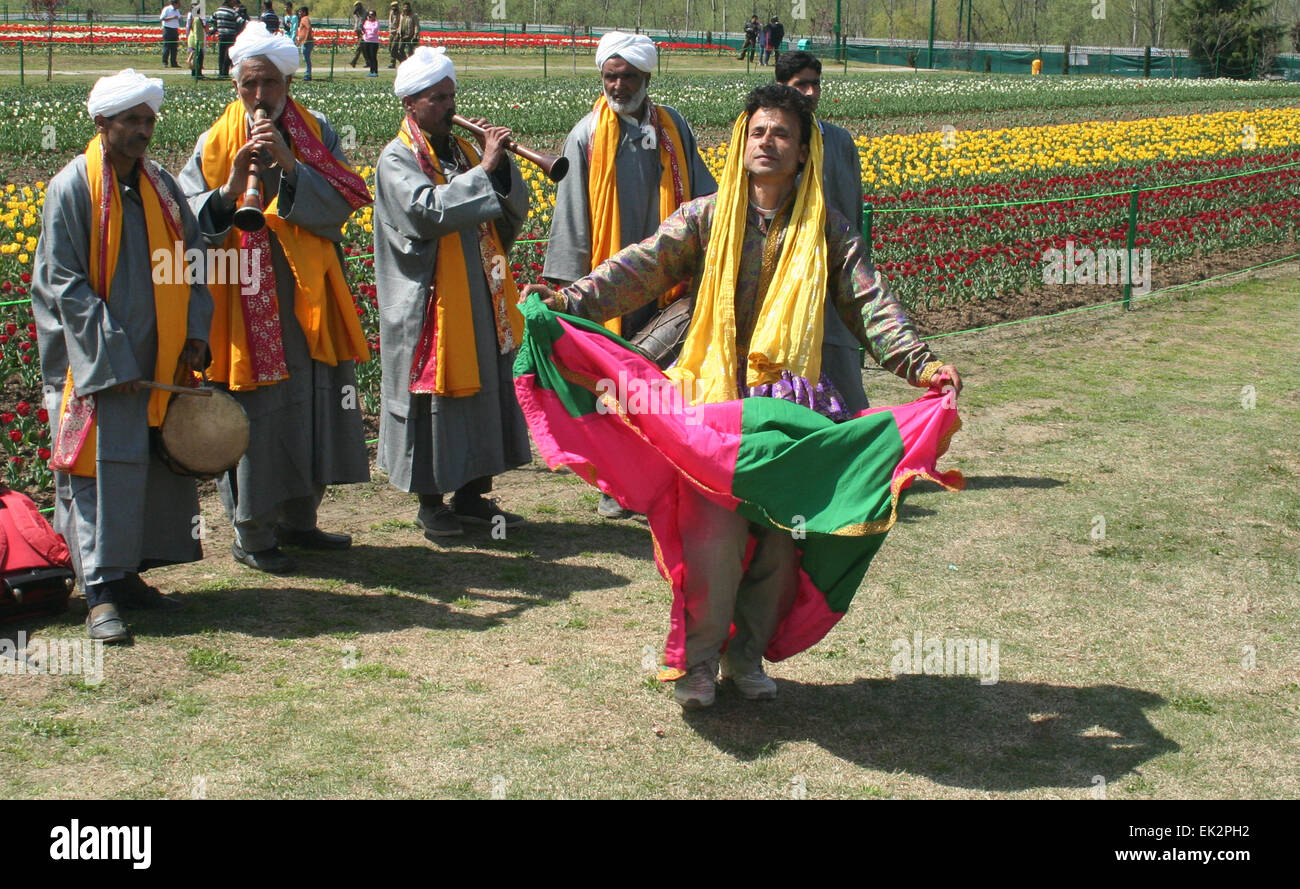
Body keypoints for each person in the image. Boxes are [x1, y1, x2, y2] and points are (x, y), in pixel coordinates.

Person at [525, 85, 962, 707]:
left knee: (781, 543)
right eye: (757, 131)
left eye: (782, 134)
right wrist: (567, 302)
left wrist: (921, 365)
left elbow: (871, 306)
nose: (767, 143)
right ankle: (698, 664)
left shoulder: (830, 232)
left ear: (803, 152)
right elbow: (638, 268)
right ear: (740, 141)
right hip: (712, 407)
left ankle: (745, 655)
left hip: (791, 413)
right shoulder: (706, 217)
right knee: (712, 541)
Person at [178, 23, 373, 574]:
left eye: (269, 83)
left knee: (310, 402)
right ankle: (252, 530)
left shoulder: (317, 130)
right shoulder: (215, 142)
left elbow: (344, 199)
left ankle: (299, 520)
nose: (259, 96)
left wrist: (290, 165)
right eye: (249, 85)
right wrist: (228, 188)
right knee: (257, 412)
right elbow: (189, 218)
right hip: (242, 296)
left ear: (288, 80)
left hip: (304, 293)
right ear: (237, 84)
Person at [32, 70, 214, 643]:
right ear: (102, 123)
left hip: (158, 361)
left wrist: (196, 331)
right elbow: (64, 283)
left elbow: (195, 260)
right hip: (96, 366)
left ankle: (130, 574)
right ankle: (98, 593)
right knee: (96, 468)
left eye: (148, 119)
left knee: (150, 467)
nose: (143, 130)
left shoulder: (161, 184)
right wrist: (112, 360)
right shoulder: (73, 188)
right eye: (131, 120)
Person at [542, 30, 716, 520]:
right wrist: (572, 288)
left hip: (666, 279)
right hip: (608, 280)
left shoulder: (673, 127)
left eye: (627, 77)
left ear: (646, 77)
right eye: (609, 77)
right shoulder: (587, 135)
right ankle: (614, 485)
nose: (617, 86)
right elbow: (572, 215)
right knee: (611, 382)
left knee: (660, 379)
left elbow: (703, 197)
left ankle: (663, 473)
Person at [372, 47, 531, 540]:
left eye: (451, 95)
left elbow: (501, 212)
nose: (448, 106)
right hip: (428, 303)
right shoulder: (396, 157)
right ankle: (430, 502)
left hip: (476, 293)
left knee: (481, 391)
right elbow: (425, 213)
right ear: (411, 104)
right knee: (433, 401)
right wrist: (484, 169)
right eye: (437, 98)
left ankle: (471, 495)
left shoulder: (459, 150)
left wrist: (500, 168)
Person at [776, 50, 867, 412]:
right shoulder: (769, 141)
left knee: (843, 375)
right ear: (781, 87)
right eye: (802, 85)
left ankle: (858, 451)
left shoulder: (839, 142)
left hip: (831, 276)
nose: (811, 92)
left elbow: (852, 209)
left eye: (816, 84)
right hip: (782, 281)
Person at [210, 0, 244, 78]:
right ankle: (225, 72)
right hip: (231, 35)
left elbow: (211, 20)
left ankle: (220, 72)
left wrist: (217, 27)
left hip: (221, 35)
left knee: (221, 54)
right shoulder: (232, 12)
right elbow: (240, 21)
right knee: (228, 54)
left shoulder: (218, 11)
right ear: (229, 2)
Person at [185, 3, 208, 77]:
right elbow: (196, 32)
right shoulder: (197, 20)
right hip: (196, 42)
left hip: (196, 41)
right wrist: (197, 43)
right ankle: (196, 74)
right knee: (197, 59)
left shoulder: (196, 19)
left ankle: (197, 73)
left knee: (197, 58)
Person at [160, 0, 182, 68]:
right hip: (168, 29)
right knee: (167, 47)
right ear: (174, 3)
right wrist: (172, 18)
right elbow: (162, 18)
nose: (179, 5)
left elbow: (179, 17)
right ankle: (165, 62)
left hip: (175, 29)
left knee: (174, 47)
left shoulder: (177, 10)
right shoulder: (167, 9)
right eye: (178, 3)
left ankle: (174, 63)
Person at [294, 6, 313, 81]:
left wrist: (305, 39)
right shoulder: (303, 19)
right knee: (306, 58)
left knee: (306, 58)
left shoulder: (304, 19)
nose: (299, 13)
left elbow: (308, 28)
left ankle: (308, 75)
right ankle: (308, 74)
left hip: (307, 42)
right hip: (305, 41)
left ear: (304, 12)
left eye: (300, 11)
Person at [360, 10, 380, 76]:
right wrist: (365, 30)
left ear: (374, 16)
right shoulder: (366, 22)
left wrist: (368, 30)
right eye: (369, 15)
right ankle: (371, 71)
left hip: (374, 42)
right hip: (366, 40)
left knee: (373, 56)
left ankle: (375, 71)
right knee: (368, 56)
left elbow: (374, 30)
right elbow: (364, 29)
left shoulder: (376, 22)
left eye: (371, 15)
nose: (370, 17)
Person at [349, 2, 367, 68]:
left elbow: (366, 22)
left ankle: (354, 61)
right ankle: (368, 62)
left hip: (364, 32)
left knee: (359, 46)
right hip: (358, 32)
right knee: (363, 48)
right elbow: (356, 22)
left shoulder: (365, 13)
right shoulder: (356, 13)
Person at [386, 1, 402, 67]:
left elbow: (400, 24)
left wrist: (397, 32)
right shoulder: (391, 13)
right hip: (391, 32)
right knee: (390, 48)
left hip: (397, 33)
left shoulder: (400, 14)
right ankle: (402, 61)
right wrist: (390, 31)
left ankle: (393, 62)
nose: (393, 8)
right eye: (392, 6)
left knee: (393, 48)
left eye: (395, 6)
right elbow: (390, 22)